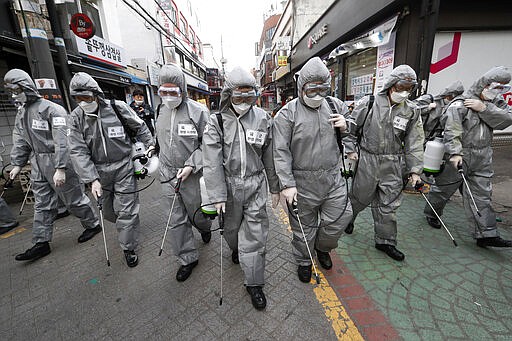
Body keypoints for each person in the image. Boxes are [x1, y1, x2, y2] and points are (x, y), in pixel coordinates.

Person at [202, 67, 280, 310]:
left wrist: (275, 187)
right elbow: (211, 160)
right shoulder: (217, 121)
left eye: (249, 97)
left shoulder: (263, 118)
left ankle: (254, 283)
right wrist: (216, 194)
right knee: (231, 230)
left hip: (256, 184)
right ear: (228, 94)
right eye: (239, 97)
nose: (244, 102)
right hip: (228, 186)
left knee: (255, 235)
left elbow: (270, 154)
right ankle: (236, 249)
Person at [4, 69, 101, 262]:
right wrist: (16, 163)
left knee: (73, 200)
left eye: (17, 89)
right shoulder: (22, 112)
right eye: (12, 91)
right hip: (37, 162)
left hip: (57, 160)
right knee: (42, 204)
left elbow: (63, 140)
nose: (15, 94)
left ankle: (93, 224)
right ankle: (41, 242)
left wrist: (61, 167)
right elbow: (21, 139)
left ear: (26, 87)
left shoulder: (52, 110)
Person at [273, 56, 353, 283]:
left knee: (340, 217)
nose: (318, 95)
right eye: (312, 89)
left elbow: (351, 137)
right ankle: (304, 260)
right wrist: (286, 185)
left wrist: (347, 127)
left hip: (333, 177)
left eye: (323, 89)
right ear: (301, 88)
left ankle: (323, 247)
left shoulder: (336, 106)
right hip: (302, 181)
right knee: (302, 227)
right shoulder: (287, 114)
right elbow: (280, 151)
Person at [67, 72, 154, 267]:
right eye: (78, 98)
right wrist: (91, 179)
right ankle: (126, 226)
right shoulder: (75, 118)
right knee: (108, 212)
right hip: (98, 171)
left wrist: (150, 145)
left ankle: (128, 246)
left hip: (123, 165)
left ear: (95, 93)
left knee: (127, 210)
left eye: (87, 97)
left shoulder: (117, 107)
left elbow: (139, 126)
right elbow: (77, 150)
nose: (83, 102)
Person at [425, 66, 512, 247]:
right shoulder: (461, 103)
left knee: (482, 194)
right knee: (444, 189)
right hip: (460, 155)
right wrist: (455, 152)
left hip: (483, 155)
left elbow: (506, 120)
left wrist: (485, 109)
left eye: (503, 88)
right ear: (485, 84)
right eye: (496, 87)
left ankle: (486, 234)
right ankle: (432, 212)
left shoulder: (495, 103)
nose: (499, 91)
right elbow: (452, 129)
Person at [344, 65, 424, 261]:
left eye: (409, 88)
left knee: (389, 204)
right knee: (358, 197)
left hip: (394, 163)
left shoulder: (411, 111)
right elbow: (350, 130)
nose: (404, 92)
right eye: (401, 86)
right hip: (367, 159)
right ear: (391, 85)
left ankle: (385, 241)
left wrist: (415, 170)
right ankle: (347, 220)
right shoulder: (369, 103)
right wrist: (351, 150)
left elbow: (415, 141)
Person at [155, 64, 212, 281]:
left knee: (198, 214)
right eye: (163, 92)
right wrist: (154, 147)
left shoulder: (199, 112)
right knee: (176, 219)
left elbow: (208, 144)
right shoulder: (160, 110)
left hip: (192, 174)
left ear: (182, 89)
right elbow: (160, 136)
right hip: (168, 174)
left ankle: (204, 228)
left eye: (173, 92)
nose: (168, 97)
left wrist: (191, 164)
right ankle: (187, 257)